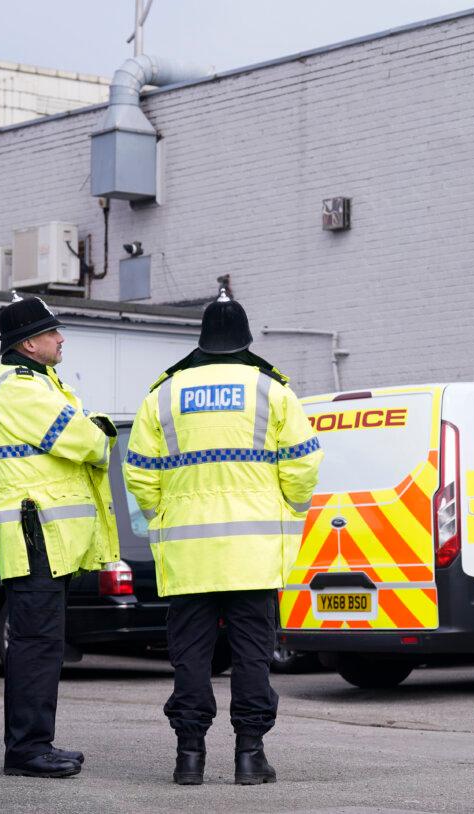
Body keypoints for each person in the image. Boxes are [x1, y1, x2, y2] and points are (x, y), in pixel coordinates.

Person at [123, 291, 322, 786]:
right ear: (246, 339)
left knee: (190, 656)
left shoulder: (163, 395)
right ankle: (250, 757)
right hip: (253, 553)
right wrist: (286, 509)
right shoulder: (272, 391)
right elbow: (303, 464)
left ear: (202, 339)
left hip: (188, 554)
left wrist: (164, 516)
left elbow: (140, 474)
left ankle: (188, 758)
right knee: (252, 655)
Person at [0, 296, 119, 778]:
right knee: (37, 644)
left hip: (43, 537)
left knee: (42, 643)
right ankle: (26, 751)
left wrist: (91, 435)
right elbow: (83, 440)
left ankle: (36, 743)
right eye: (52, 332)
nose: (61, 339)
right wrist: (99, 435)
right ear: (29, 343)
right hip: (34, 534)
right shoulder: (19, 388)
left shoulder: (39, 381)